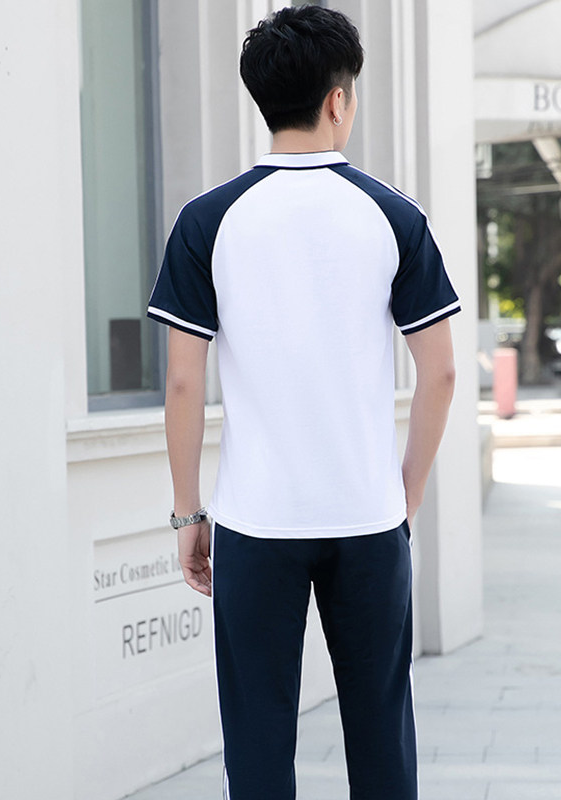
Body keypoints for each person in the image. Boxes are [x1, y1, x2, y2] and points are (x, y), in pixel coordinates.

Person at [147, 6, 459, 799]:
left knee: (256, 747)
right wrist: (407, 493)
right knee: (382, 740)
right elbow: (441, 374)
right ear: (338, 100)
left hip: (255, 521)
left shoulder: (207, 221)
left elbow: (182, 382)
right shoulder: (394, 215)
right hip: (367, 517)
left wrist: (188, 515)